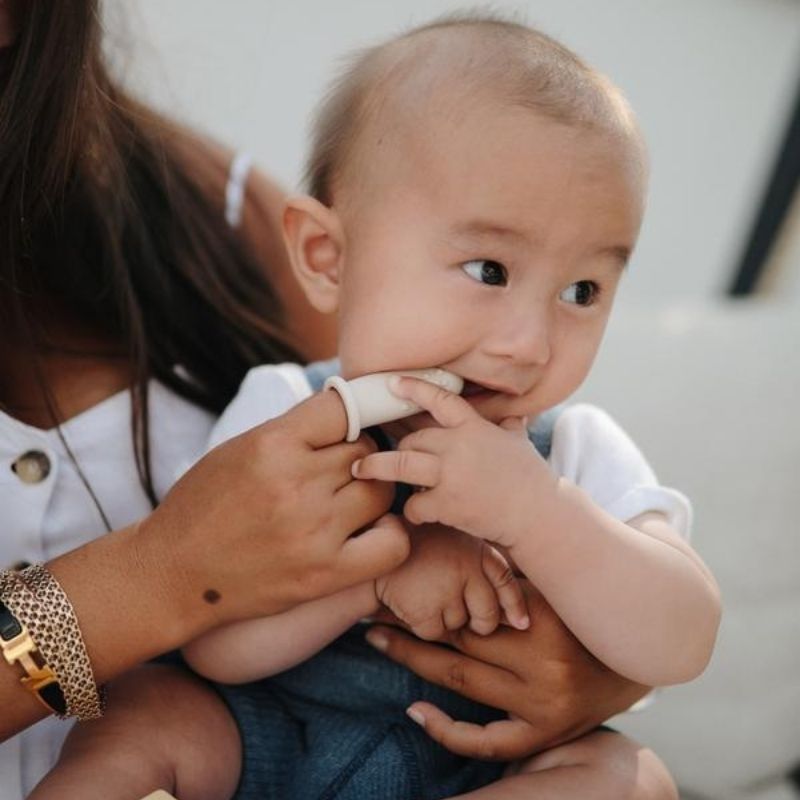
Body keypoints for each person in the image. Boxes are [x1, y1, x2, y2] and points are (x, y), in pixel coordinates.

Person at [27, 11, 721, 800]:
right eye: (489, 271)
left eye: (582, 291)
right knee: (141, 711)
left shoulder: (573, 450)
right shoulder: (285, 411)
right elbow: (218, 646)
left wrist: (539, 514)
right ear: (329, 258)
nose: (529, 344)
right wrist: (377, 579)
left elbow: (683, 642)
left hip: (475, 767)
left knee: (633, 780)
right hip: (268, 740)